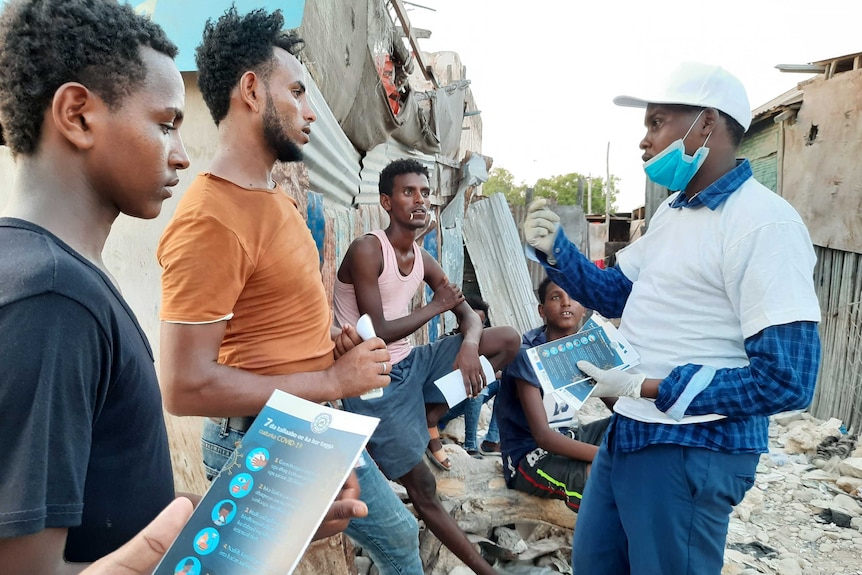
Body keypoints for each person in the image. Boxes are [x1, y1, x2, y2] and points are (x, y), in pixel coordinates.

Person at [523, 61, 821, 574]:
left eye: (657, 122)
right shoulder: (673, 213)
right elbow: (618, 295)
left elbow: (787, 380)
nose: (644, 140)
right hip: (631, 436)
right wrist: (558, 253)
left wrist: (647, 386)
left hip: (694, 447)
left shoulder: (762, 224)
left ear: (706, 124)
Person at [155, 7, 424, 575]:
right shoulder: (210, 219)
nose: (311, 114)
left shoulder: (274, 199)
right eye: (298, 92)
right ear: (251, 91)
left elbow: (267, 314)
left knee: (398, 537)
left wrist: (332, 340)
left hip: (313, 418)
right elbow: (182, 386)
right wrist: (330, 379)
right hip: (257, 436)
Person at [0, 1, 188, 571]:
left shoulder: (54, 271)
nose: (181, 156)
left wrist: (245, 508)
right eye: (165, 124)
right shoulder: (55, 296)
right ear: (78, 115)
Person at [335, 158, 521, 575]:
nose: (420, 201)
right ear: (386, 201)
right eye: (408, 192)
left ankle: (431, 414)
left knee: (507, 341)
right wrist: (438, 306)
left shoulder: (421, 256)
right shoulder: (368, 249)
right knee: (424, 488)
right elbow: (377, 330)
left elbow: (469, 313)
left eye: (425, 193)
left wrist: (470, 344)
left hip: (412, 364)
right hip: (373, 377)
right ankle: (484, 570)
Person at [496, 278, 612, 512]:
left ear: (584, 309)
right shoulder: (527, 355)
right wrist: (606, 456)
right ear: (542, 310)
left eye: (573, 297)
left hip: (566, 436)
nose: (566, 303)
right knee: (603, 475)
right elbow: (543, 437)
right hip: (529, 458)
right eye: (556, 297)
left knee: (626, 425)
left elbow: (618, 405)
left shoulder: (584, 350)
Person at [437, 295, 502, 456]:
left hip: (465, 398)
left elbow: (495, 371)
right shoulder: (445, 341)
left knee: (504, 382)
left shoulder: (482, 345)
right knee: (476, 387)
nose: (475, 328)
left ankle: (491, 440)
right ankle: (470, 445)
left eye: (480, 324)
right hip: (443, 404)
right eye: (472, 322)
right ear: (460, 321)